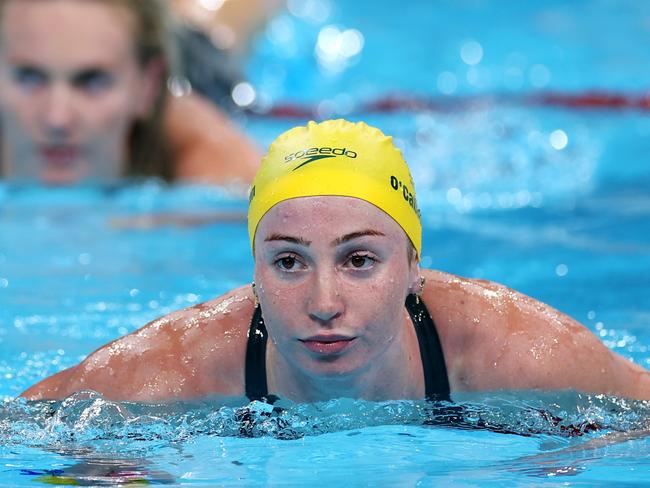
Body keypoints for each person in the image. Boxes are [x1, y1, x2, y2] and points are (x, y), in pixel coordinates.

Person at [21, 119, 650, 403]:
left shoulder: (517, 352)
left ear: (412, 267)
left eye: (359, 260)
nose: (324, 303)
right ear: (254, 274)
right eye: (289, 262)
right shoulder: (170, 373)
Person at [0, 0, 260, 186]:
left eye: (92, 82)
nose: (57, 119)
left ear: (147, 85)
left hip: (199, 80)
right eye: (29, 77)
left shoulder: (207, 164)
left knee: (215, 17)